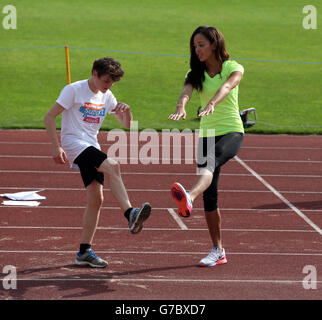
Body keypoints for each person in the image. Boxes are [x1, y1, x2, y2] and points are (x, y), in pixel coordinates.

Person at [44, 57, 151, 268]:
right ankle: (131, 214)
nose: (109, 86)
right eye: (106, 81)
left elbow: (126, 125)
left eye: (112, 82)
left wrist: (126, 112)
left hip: (91, 145)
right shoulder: (73, 90)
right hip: (74, 143)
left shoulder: (107, 95)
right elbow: (49, 117)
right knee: (113, 165)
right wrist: (56, 147)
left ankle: (84, 251)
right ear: (95, 73)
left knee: (96, 198)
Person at [168, 26, 244, 267]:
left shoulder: (233, 67)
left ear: (214, 44)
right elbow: (186, 91)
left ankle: (188, 196)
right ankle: (218, 250)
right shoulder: (195, 72)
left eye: (201, 44)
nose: (197, 49)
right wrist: (181, 106)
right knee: (210, 198)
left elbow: (227, 87)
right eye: (194, 46)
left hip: (231, 131)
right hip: (207, 134)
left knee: (210, 163)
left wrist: (211, 103)